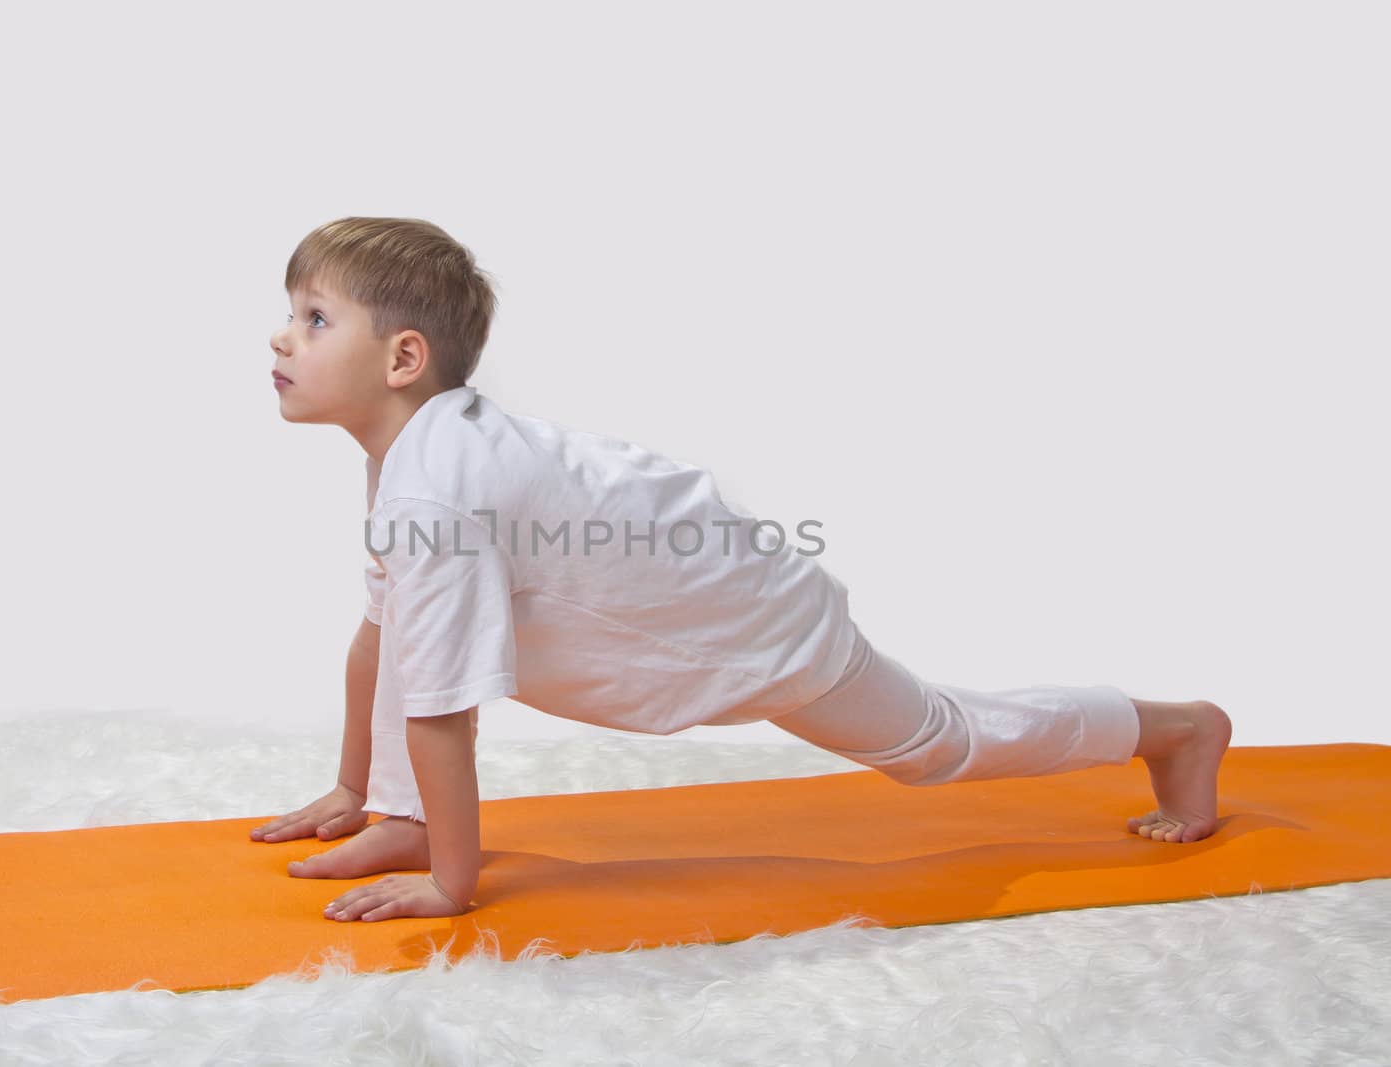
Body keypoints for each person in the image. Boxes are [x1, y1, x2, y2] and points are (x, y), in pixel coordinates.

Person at [250, 217, 1233, 924]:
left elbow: (442, 707)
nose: (280, 336)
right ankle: (401, 815)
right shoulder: (413, 460)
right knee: (403, 636)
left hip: (763, 627)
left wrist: (452, 882)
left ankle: (1178, 728)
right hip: (698, 584)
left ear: (404, 357)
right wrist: (360, 793)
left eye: (314, 317)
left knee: (935, 744)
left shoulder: (434, 488)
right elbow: (385, 637)